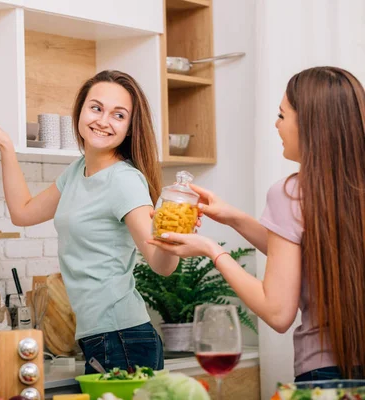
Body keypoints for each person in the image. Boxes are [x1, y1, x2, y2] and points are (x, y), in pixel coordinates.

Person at [148, 66, 365, 381]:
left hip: (327, 377)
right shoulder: (347, 190)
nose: (276, 125)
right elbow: (311, 252)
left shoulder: (292, 193)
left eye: (281, 115)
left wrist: (212, 250)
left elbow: (277, 313)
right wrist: (234, 217)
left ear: (310, 124)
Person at [0, 70, 179, 374]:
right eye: (96, 108)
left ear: (130, 128)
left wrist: (173, 235)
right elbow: (23, 213)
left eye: (118, 115)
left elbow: (162, 265)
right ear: (80, 111)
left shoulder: (125, 181)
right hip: (101, 338)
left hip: (123, 337)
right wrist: (4, 144)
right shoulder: (77, 171)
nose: (103, 121)